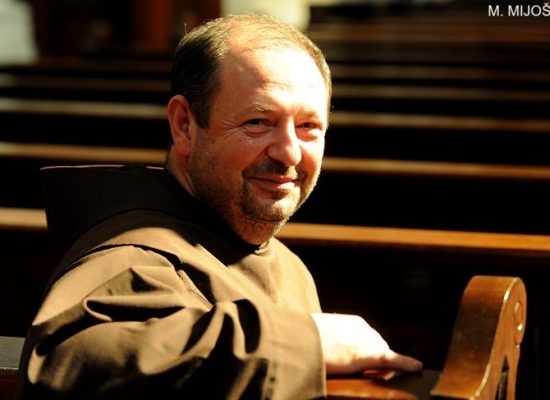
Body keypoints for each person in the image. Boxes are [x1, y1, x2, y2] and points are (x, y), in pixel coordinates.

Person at [16, 13, 421, 399]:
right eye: (258, 122)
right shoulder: (135, 255)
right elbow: (64, 361)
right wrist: (309, 341)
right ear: (185, 126)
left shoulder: (279, 259)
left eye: (308, 127)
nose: (290, 153)